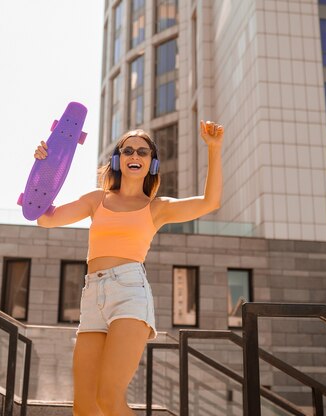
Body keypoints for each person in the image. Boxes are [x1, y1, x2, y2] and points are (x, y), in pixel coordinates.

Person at [34, 120, 224, 416]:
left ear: (152, 163)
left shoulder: (157, 207)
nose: (134, 156)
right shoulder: (97, 200)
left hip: (129, 293)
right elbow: (45, 218)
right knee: (84, 407)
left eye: (143, 152)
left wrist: (214, 148)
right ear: (116, 159)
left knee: (109, 397)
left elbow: (210, 202)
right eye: (128, 151)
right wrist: (43, 170)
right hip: (92, 296)